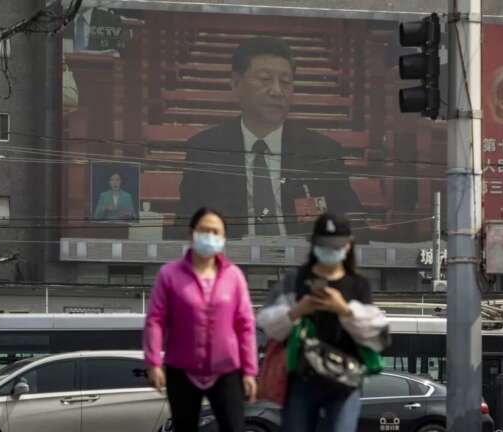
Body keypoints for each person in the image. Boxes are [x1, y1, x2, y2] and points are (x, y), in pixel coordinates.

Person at [175, 37, 361, 239]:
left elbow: (355, 227)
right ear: (236, 84)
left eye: (286, 82)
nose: (277, 91)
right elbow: (185, 229)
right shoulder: (206, 149)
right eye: (265, 79)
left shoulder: (322, 151)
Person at [256, 212, 389, 432]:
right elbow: (266, 325)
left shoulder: (358, 284)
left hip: (345, 381)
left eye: (336, 245)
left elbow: (378, 337)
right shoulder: (295, 279)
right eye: (324, 245)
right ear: (314, 244)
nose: (330, 250)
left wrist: (344, 309)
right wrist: (298, 310)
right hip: (301, 379)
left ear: (348, 245)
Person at [144, 208, 258, 432]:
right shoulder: (169, 275)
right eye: (204, 230)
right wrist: (153, 362)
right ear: (192, 234)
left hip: (226, 370)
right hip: (181, 369)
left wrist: (249, 371)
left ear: (223, 238)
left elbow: (245, 325)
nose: (210, 236)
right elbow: (155, 320)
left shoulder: (234, 276)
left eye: (216, 232)